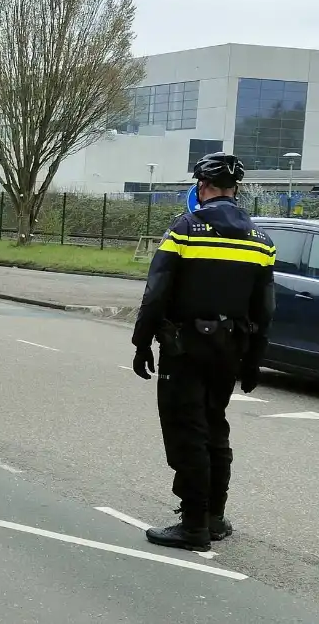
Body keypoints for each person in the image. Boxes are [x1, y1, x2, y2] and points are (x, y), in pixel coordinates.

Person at [130, 151, 276, 552]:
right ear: (235, 189)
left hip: (185, 349)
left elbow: (156, 293)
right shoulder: (261, 240)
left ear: (202, 186)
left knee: (186, 431)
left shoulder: (185, 230)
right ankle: (214, 517)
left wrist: (142, 342)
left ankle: (193, 525)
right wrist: (253, 360)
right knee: (215, 428)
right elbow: (265, 310)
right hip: (230, 352)